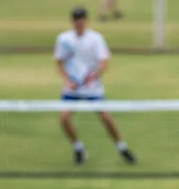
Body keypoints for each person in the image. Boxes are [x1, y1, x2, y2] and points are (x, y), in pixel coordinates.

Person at [54, 6, 136, 165]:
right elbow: (59, 63)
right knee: (64, 119)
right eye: (77, 19)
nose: (79, 22)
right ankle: (78, 148)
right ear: (72, 21)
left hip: (92, 89)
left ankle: (122, 148)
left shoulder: (96, 39)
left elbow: (104, 63)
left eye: (82, 19)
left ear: (87, 20)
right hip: (72, 89)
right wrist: (68, 80)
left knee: (106, 117)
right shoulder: (64, 39)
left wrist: (94, 76)